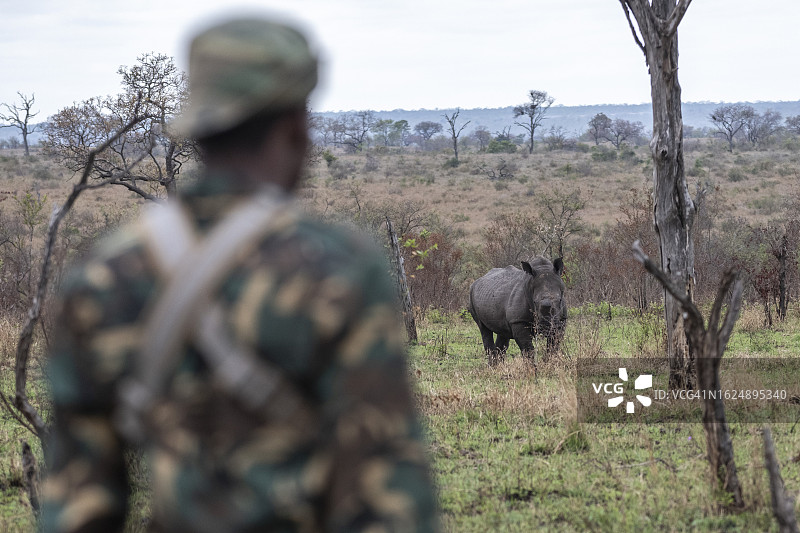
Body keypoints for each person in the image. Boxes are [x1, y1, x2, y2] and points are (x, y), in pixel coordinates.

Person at [41, 17, 438, 532]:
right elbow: (389, 497)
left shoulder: (102, 274)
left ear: (198, 128)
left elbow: (76, 503)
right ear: (296, 126)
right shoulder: (339, 269)